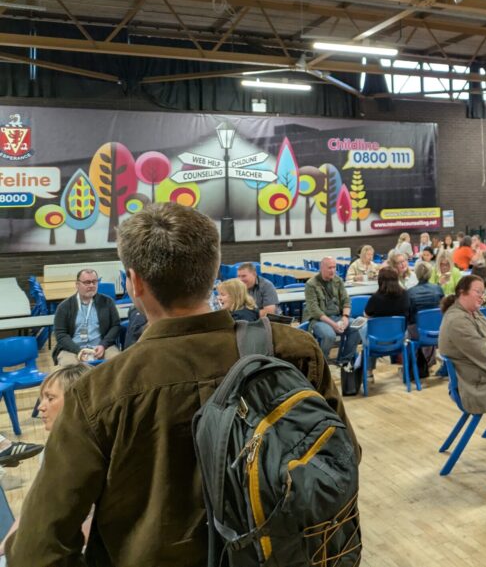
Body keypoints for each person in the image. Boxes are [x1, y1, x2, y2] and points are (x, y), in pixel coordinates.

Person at [5, 202, 360, 566]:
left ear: (134, 282)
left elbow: (36, 552)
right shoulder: (294, 350)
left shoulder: (97, 393)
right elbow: (345, 456)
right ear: (213, 272)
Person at [1, 364, 93, 557]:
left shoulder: (94, 453)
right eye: (41, 398)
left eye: (50, 399)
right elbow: (32, 509)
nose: (40, 407)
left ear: (76, 400)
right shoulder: (52, 451)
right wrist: (4, 547)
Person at [438, 275, 486, 414]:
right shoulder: (458, 321)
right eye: (478, 292)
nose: (482, 296)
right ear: (462, 292)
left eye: (483, 292)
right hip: (478, 387)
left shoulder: (473, 312)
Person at [52, 269, 122, 366]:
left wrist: (103, 345)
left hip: (102, 347)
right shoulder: (64, 306)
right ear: (77, 284)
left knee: (117, 361)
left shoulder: (107, 302)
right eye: (87, 282)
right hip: (73, 349)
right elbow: (60, 334)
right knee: (70, 366)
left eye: (94, 282)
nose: (91, 285)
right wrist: (78, 350)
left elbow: (115, 326)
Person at [304, 256, 360, 365]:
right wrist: (333, 324)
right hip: (318, 320)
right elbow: (315, 311)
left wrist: (345, 317)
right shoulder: (311, 284)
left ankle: (344, 361)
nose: (333, 270)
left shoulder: (338, 280)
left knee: (356, 327)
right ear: (322, 268)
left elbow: (346, 301)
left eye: (334, 267)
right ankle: (321, 364)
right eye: (329, 268)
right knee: (329, 335)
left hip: (337, 316)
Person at [362, 266, 413, 342]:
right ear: (396, 279)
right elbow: (409, 313)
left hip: (378, 338)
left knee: (362, 327)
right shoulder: (405, 294)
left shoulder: (375, 298)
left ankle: (367, 348)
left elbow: (366, 315)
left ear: (380, 280)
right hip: (400, 336)